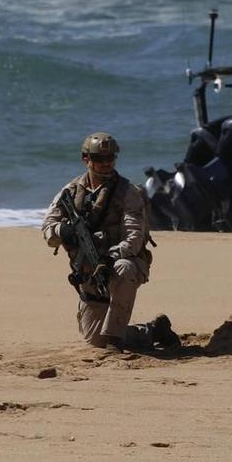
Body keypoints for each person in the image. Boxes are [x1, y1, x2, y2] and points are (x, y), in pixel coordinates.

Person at [41, 132, 178, 351]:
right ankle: (153, 330)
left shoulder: (128, 192)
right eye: (100, 159)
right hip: (89, 272)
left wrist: (110, 258)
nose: (106, 164)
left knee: (123, 269)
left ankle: (115, 341)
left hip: (123, 263)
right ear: (86, 159)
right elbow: (48, 230)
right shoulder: (70, 192)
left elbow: (134, 238)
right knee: (96, 340)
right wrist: (64, 230)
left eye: (111, 158)